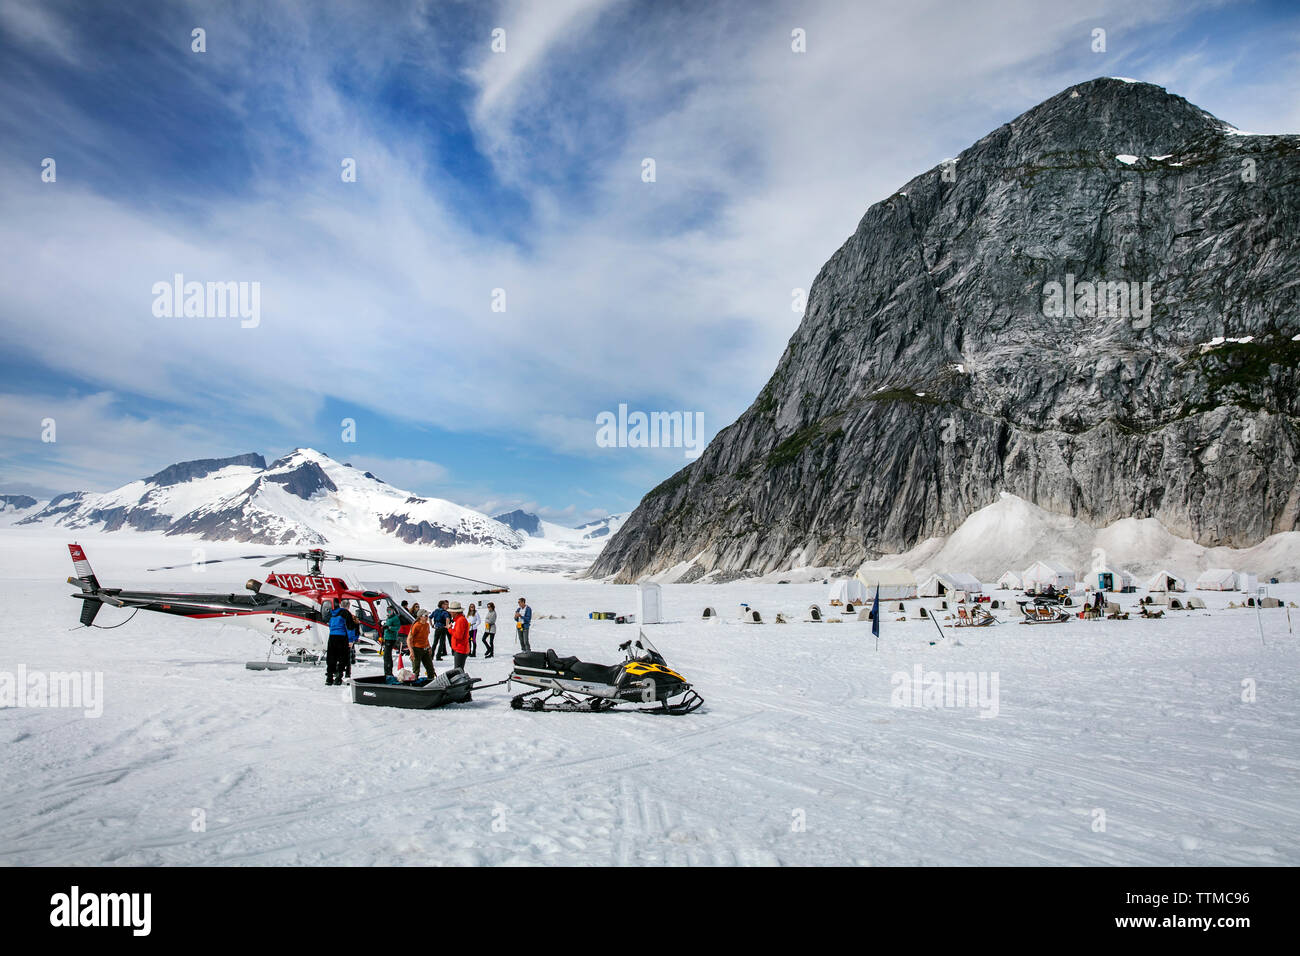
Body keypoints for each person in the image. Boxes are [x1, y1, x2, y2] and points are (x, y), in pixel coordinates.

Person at [324, 597, 350, 686]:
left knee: (331, 657)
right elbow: (350, 626)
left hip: (332, 636)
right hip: (342, 637)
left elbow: (330, 624)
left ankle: (329, 678)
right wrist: (351, 639)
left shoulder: (331, 613)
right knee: (342, 657)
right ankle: (339, 677)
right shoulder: (345, 613)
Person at [407, 610, 434, 680]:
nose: (427, 617)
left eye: (427, 616)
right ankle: (414, 683)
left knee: (430, 668)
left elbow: (426, 637)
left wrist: (429, 647)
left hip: (425, 648)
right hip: (416, 649)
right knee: (416, 669)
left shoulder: (427, 625)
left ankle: (430, 681)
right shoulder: (416, 626)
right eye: (425, 616)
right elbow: (409, 639)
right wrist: (411, 651)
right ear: (420, 617)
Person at [447, 601, 470, 671]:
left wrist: (450, 629)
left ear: (455, 612)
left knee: (458, 670)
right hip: (460, 648)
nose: (450, 613)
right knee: (459, 669)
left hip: (461, 648)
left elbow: (458, 636)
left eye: (451, 612)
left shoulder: (460, 620)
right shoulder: (459, 620)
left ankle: (462, 681)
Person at [382, 602, 402, 677]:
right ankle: (387, 671)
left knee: (387, 655)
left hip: (391, 638)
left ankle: (388, 672)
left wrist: (389, 628)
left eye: (390, 610)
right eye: (388, 610)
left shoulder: (395, 618)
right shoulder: (389, 618)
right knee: (386, 655)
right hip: (387, 637)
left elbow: (397, 628)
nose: (389, 612)